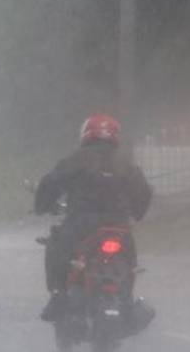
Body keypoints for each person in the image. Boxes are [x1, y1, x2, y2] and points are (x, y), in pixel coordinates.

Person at [34, 114, 153, 322]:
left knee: (56, 248)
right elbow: (144, 193)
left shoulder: (77, 159)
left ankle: (58, 296)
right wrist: (137, 212)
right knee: (129, 262)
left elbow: (51, 183)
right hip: (119, 227)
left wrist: (42, 205)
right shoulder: (126, 164)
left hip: (82, 226)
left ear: (86, 134)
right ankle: (127, 300)